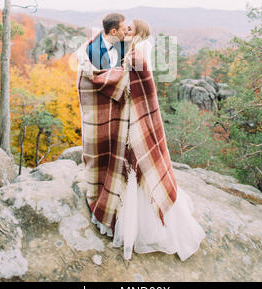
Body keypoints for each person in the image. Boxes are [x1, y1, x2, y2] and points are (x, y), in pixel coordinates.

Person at [76, 14, 206, 262]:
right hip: (129, 121)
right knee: (129, 170)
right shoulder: (131, 52)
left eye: (130, 28)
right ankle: (122, 215)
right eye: (124, 27)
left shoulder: (136, 56)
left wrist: (95, 75)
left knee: (136, 169)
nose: (126, 29)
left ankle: (136, 227)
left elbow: (124, 84)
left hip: (135, 125)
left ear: (138, 33)